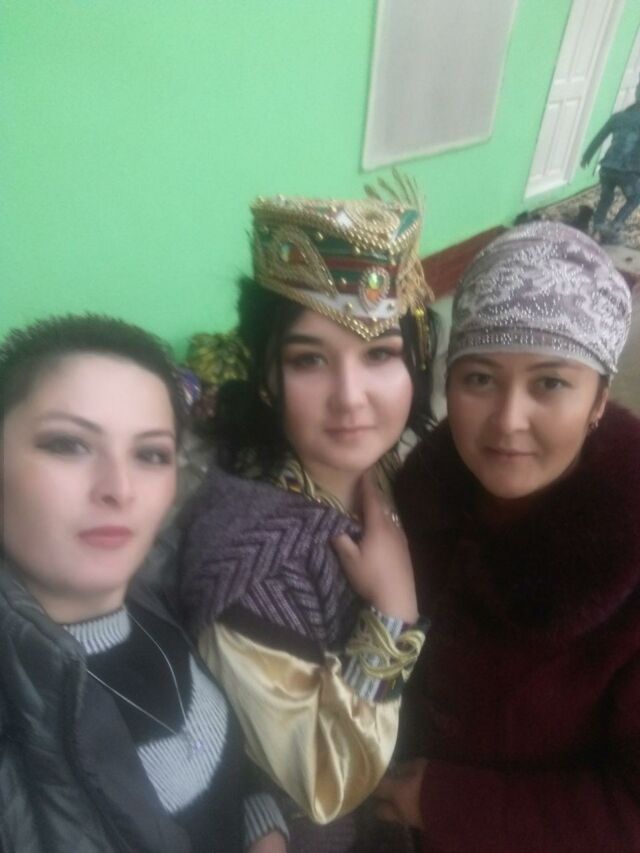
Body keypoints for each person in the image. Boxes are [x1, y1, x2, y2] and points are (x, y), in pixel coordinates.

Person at [179, 190, 434, 851]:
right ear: (267, 375)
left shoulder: (388, 464)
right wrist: (393, 615)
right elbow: (323, 780)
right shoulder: (255, 563)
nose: (351, 398)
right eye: (309, 359)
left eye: (380, 354)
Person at [377, 221, 639, 852]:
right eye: (480, 379)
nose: (508, 421)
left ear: (597, 400)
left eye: (550, 382)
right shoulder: (414, 501)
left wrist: (439, 801)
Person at [0, 315, 287, 853]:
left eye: (151, 454)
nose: (120, 488)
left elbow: (218, 761)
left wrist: (260, 825)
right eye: (68, 444)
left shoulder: (155, 600)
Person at [581, 79, 640, 243]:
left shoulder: (618, 117)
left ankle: (597, 226)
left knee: (606, 197)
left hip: (606, 169)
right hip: (627, 172)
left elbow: (599, 137)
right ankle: (613, 229)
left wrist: (587, 156)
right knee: (635, 197)